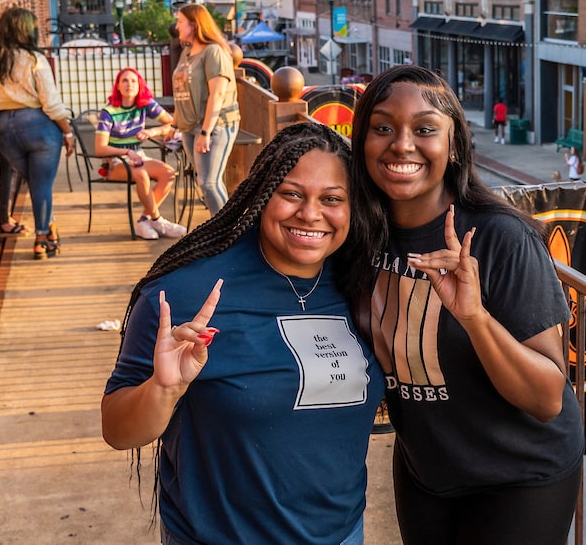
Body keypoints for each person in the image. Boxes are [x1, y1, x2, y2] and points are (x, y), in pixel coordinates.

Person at [102, 122, 384, 545]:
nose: (310, 213)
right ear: (261, 194)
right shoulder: (185, 294)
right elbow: (118, 431)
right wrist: (164, 389)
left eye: (332, 199)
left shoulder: (362, 286)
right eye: (291, 193)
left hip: (343, 534)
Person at [346, 65, 584, 545]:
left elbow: (546, 397)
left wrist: (474, 317)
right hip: (427, 467)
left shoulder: (500, 237)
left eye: (425, 129)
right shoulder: (357, 230)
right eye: (383, 127)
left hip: (519, 474)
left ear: (453, 145)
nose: (402, 144)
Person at [0, 7, 74, 259]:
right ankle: (42, 237)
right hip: (37, 127)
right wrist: (67, 133)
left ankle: (50, 230)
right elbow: (52, 104)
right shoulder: (34, 60)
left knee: (37, 185)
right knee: (41, 184)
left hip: (3, 129)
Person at [95, 68, 188, 241]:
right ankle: (158, 220)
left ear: (140, 85)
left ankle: (144, 220)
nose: (129, 84)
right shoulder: (109, 112)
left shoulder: (145, 104)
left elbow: (173, 123)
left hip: (139, 156)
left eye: (133, 81)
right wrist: (127, 151)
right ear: (117, 86)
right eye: (124, 80)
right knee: (142, 174)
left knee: (168, 173)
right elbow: (100, 148)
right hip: (116, 161)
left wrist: (153, 132)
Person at [172, 3, 241, 215]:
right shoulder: (187, 52)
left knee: (209, 182)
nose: (177, 27)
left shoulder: (214, 52)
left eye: (181, 22)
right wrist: (174, 125)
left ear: (194, 25)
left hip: (214, 126)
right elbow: (181, 90)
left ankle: (225, 233)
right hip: (189, 127)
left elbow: (218, 93)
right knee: (204, 182)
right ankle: (219, 229)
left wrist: (206, 132)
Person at [0, 18, 25, 236]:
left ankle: (6, 218)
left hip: (6, 119)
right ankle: (5, 220)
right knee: (9, 170)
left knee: (10, 170)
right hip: (4, 120)